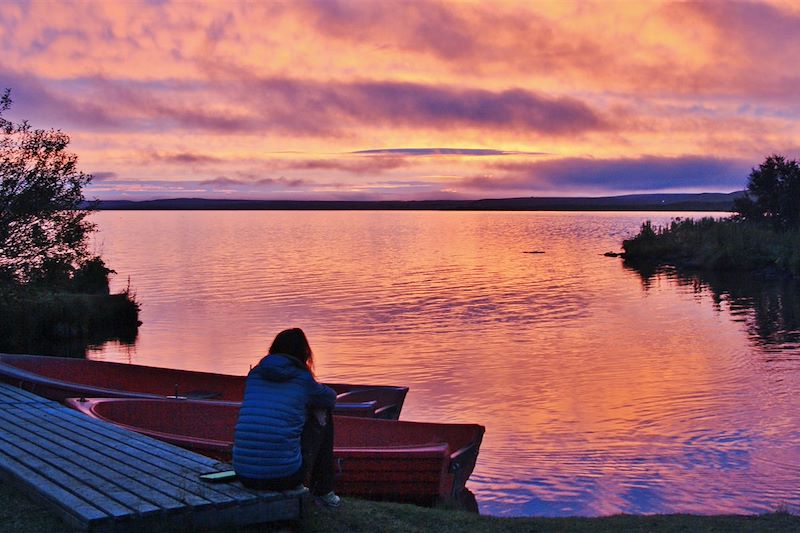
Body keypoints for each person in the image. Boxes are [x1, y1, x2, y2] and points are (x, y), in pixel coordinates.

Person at [233, 328, 341, 507]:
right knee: (322, 411)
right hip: (284, 477)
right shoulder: (303, 380)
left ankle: (321, 489)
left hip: (244, 474)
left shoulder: (254, 375)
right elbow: (330, 398)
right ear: (303, 353)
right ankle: (323, 490)